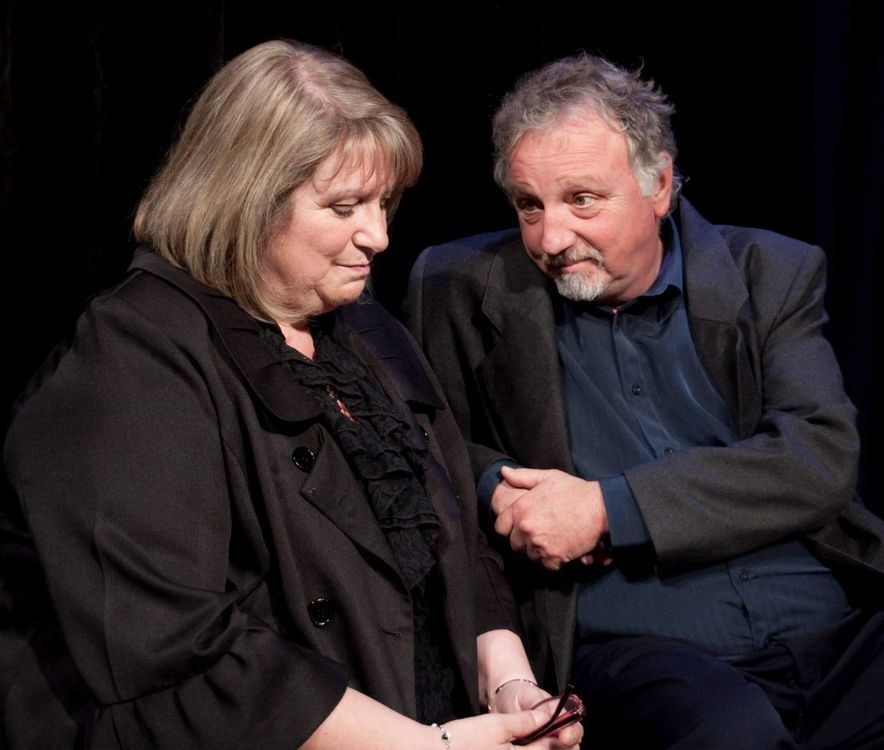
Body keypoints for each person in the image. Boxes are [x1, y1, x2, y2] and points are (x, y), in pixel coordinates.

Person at [0, 40, 585, 750]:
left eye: (383, 202)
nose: (378, 236)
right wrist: (433, 747)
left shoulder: (366, 329)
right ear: (246, 201)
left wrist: (511, 689)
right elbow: (172, 652)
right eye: (344, 207)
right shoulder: (131, 358)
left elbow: (456, 545)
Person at [406, 53, 884, 748]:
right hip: (644, 650)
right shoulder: (462, 287)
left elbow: (817, 456)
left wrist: (606, 509)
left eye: (582, 200)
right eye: (529, 206)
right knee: (728, 731)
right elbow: (421, 436)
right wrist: (493, 489)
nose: (551, 237)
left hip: (833, 633)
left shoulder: (767, 274)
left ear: (659, 185)